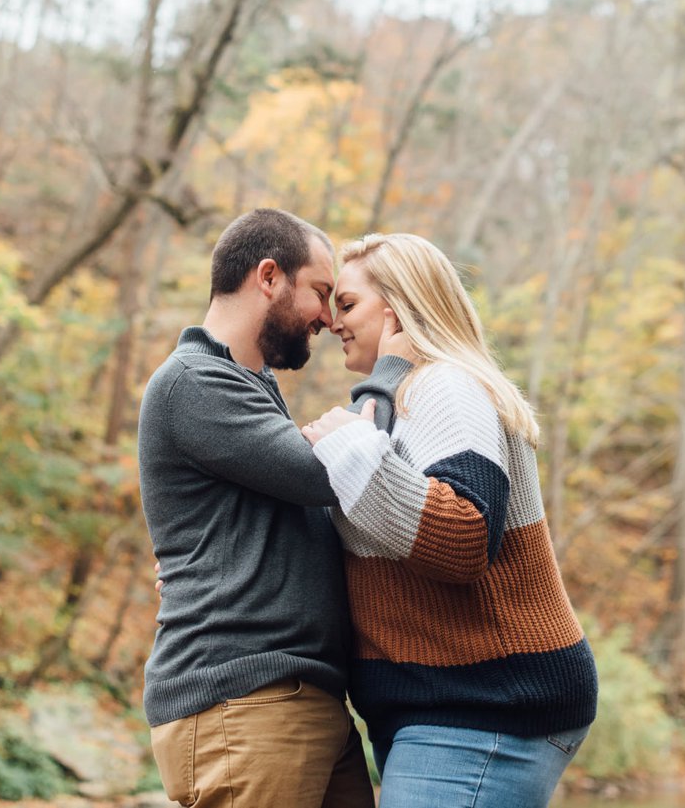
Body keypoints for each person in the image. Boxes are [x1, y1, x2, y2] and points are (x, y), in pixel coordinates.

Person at [302, 232, 599, 808]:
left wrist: (347, 447)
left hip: (490, 703)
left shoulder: (445, 386)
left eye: (347, 304)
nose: (331, 321)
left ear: (399, 310)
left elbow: (463, 535)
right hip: (444, 706)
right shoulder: (399, 401)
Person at [137, 208, 392, 808]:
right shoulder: (193, 382)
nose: (328, 320)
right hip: (244, 700)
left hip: (298, 699)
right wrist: (393, 371)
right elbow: (332, 471)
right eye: (321, 293)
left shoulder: (250, 388)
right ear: (270, 276)